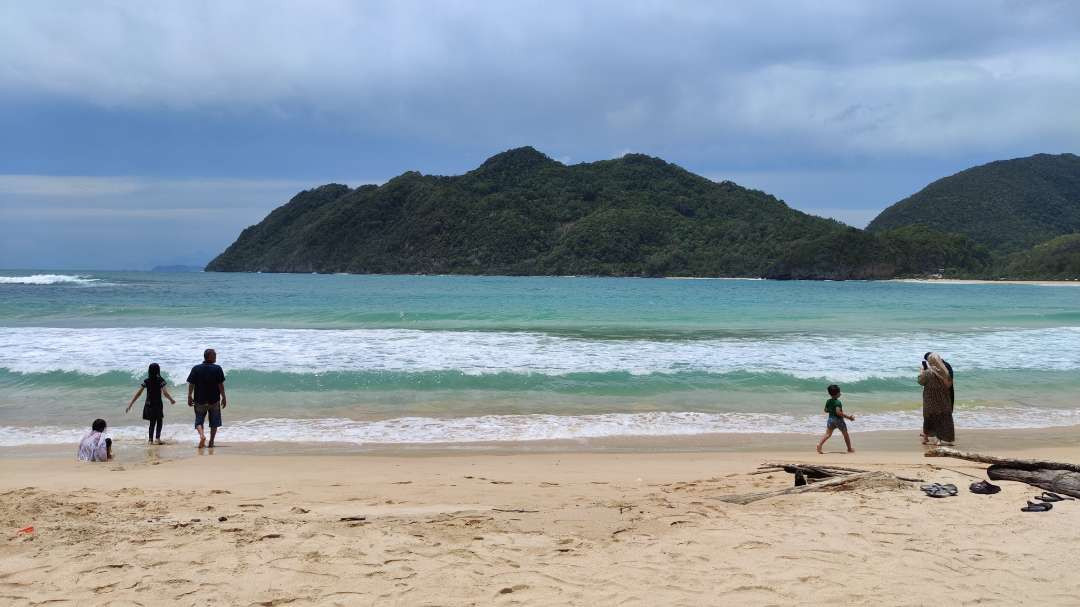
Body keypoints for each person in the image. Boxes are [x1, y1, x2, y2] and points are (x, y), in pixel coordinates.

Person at [126, 362, 176, 444]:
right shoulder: (161, 380)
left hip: (149, 404)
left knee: (152, 422)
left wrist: (131, 404)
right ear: (158, 370)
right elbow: (165, 393)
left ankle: (150, 440)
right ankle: (157, 439)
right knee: (159, 421)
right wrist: (171, 400)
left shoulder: (147, 381)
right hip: (158, 404)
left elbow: (138, 393)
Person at [187, 348, 226, 448]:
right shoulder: (217, 368)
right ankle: (211, 442)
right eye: (214, 355)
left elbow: (191, 383)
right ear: (209, 356)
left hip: (200, 400)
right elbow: (220, 385)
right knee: (214, 422)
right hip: (214, 400)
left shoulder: (196, 368)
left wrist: (189, 396)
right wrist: (224, 397)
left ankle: (202, 436)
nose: (216, 356)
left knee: (199, 420)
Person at [919, 352, 955, 445]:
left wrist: (921, 372)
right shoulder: (945, 372)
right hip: (943, 397)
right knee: (943, 417)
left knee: (928, 416)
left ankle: (926, 437)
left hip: (930, 398)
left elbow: (921, 381)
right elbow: (949, 385)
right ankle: (941, 439)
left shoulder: (928, 372)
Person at [816, 384, 855, 454]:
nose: (840, 393)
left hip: (830, 419)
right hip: (838, 420)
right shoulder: (838, 402)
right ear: (837, 394)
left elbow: (825, 410)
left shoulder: (828, 401)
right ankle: (849, 449)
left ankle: (819, 445)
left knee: (828, 434)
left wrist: (831, 410)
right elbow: (838, 412)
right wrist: (849, 417)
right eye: (839, 392)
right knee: (845, 434)